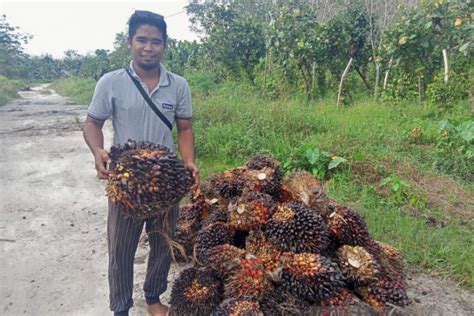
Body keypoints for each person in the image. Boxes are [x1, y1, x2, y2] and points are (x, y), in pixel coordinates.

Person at [83, 10, 199, 316]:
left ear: (165, 45)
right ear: (130, 42)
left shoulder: (178, 86)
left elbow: (185, 129)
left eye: (156, 42)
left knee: (163, 244)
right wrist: (97, 150)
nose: (149, 47)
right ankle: (120, 308)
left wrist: (189, 162)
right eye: (142, 40)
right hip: (127, 180)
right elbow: (92, 122)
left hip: (166, 180)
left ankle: (152, 298)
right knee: (121, 250)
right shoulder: (111, 82)